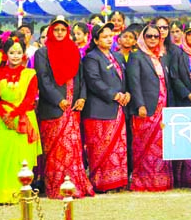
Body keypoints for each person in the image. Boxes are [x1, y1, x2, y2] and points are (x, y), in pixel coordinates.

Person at [34, 16, 94, 199]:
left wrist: (82, 98)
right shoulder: (42, 53)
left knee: (72, 148)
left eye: (62, 30)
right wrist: (58, 100)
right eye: (56, 30)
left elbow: (82, 78)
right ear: (51, 32)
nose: (59, 33)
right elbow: (43, 81)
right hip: (54, 108)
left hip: (73, 107)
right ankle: (57, 187)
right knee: (57, 149)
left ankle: (75, 185)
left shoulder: (74, 50)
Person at [0, 34, 41, 204]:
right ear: (6, 54)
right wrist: (4, 116)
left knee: (21, 157)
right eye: (12, 53)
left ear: (23, 54)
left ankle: (21, 192)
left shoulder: (30, 74)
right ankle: (2, 194)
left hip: (23, 118)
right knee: (2, 157)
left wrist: (14, 115)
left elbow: (30, 98)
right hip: (1, 119)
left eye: (18, 52)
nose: (15, 56)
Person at [82, 22, 130, 193]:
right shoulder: (91, 58)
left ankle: (117, 181)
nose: (109, 39)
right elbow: (94, 81)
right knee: (101, 148)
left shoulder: (116, 56)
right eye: (104, 37)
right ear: (95, 40)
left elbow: (123, 79)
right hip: (99, 110)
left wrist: (126, 93)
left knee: (118, 148)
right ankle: (102, 183)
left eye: (111, 36)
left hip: (118, 108)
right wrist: (114, 95)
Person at [127, 24, 173, 192]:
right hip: (146, 108)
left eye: (156, 36)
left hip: (162, 109)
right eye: (149, 36)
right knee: (143, 146)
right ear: (143, 38)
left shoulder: (161, 56)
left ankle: (160, 181)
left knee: (161, 146)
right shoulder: (137, 55)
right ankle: (143, 181)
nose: (153, 39)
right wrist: (140, 104)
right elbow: (134, 82)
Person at [154, 16, 191, 109]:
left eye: (165, 28)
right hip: (157, 96)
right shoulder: (148, 50)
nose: (162, 30)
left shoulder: (176, 50)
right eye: (159, 28)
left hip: (177, 95)